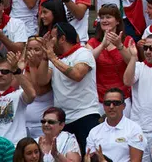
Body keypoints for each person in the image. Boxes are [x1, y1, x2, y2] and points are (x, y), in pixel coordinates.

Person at [31, 22, 100, 153]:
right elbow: (41, 81)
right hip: (63, 121)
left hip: (85, 115)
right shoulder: (55, 59)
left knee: (89, 157)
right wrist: (45, 58)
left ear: (62, 39)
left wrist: (52, 57)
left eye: (52, 37)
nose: (49, 42)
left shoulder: (83, 53)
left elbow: (77, 74)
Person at [86, 5, 133, 108]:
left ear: (117, 21)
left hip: (122, 98)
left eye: (108, 17)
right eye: (102, 18)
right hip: (99, 99)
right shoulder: (92, 42)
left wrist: (119, 46)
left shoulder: (127, 40)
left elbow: (132, 62)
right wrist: (102, 46)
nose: (104, 20)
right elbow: (87, 61)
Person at [85, 88, 145, 162]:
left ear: (124, 106)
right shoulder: (94, 132)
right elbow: (90, 159)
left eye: (116, 103)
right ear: (103, 106)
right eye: (107, 103)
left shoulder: (134, 128)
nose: (111, 106)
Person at [0, 51, 35, 143]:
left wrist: (16, 70)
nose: (0, 74)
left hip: (15, 146)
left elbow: (32, 94)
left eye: (5, 71)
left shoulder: (19, 94)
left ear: (12, 75)